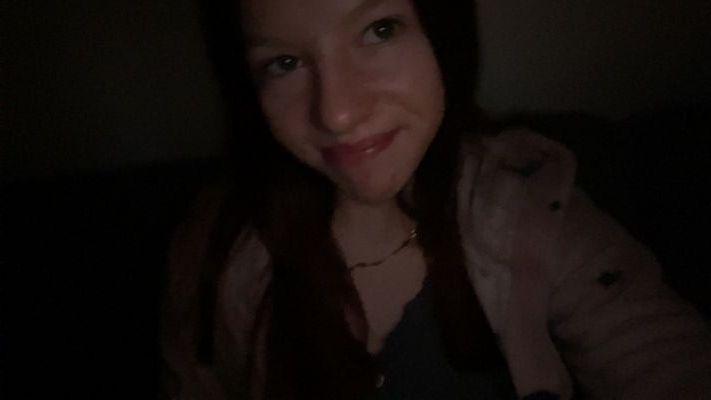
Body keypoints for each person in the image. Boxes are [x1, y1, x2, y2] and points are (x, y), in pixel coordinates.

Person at [160, 0, 711, 399]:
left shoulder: (528, 202)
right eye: (284, 63)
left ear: (442, 32)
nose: (337, 113)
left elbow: (660, 357)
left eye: (379, 29)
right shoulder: (218, 246)